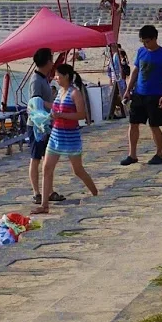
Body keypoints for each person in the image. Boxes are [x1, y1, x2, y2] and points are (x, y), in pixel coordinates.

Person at [34, 64, 100, 213]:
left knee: (77, 170)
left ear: (67, 76)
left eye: (58, 76)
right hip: (56, 134)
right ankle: (44, 205)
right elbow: (55, 108)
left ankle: (95, 193)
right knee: (47, 168)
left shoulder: (74, 93)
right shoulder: (60, 92)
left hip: (70, 136)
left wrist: (61, 115)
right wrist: (39, 104)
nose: (55, 78)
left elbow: (82, 115)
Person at [121, 24, 162, 166]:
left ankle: (159, 154)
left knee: (154, 125)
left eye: (147, 41)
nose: (145, 44)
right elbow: (136, 72)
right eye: (142, 41)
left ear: (155, 38)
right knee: (133, 123)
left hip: (155, 95)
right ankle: (132, 154)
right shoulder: (141, 52)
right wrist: (128, 90)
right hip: (139, 93)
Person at [26, 48, 63, 204]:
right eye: (51, 59)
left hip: (46, 124)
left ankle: (49, 190)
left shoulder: (43, 78)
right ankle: (36, 192)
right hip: (36, 126)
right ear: (47, 62)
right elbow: (36, 103)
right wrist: (55, 107)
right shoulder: (36, 80)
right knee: (36, 158)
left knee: (48, 158)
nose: (52, 62)